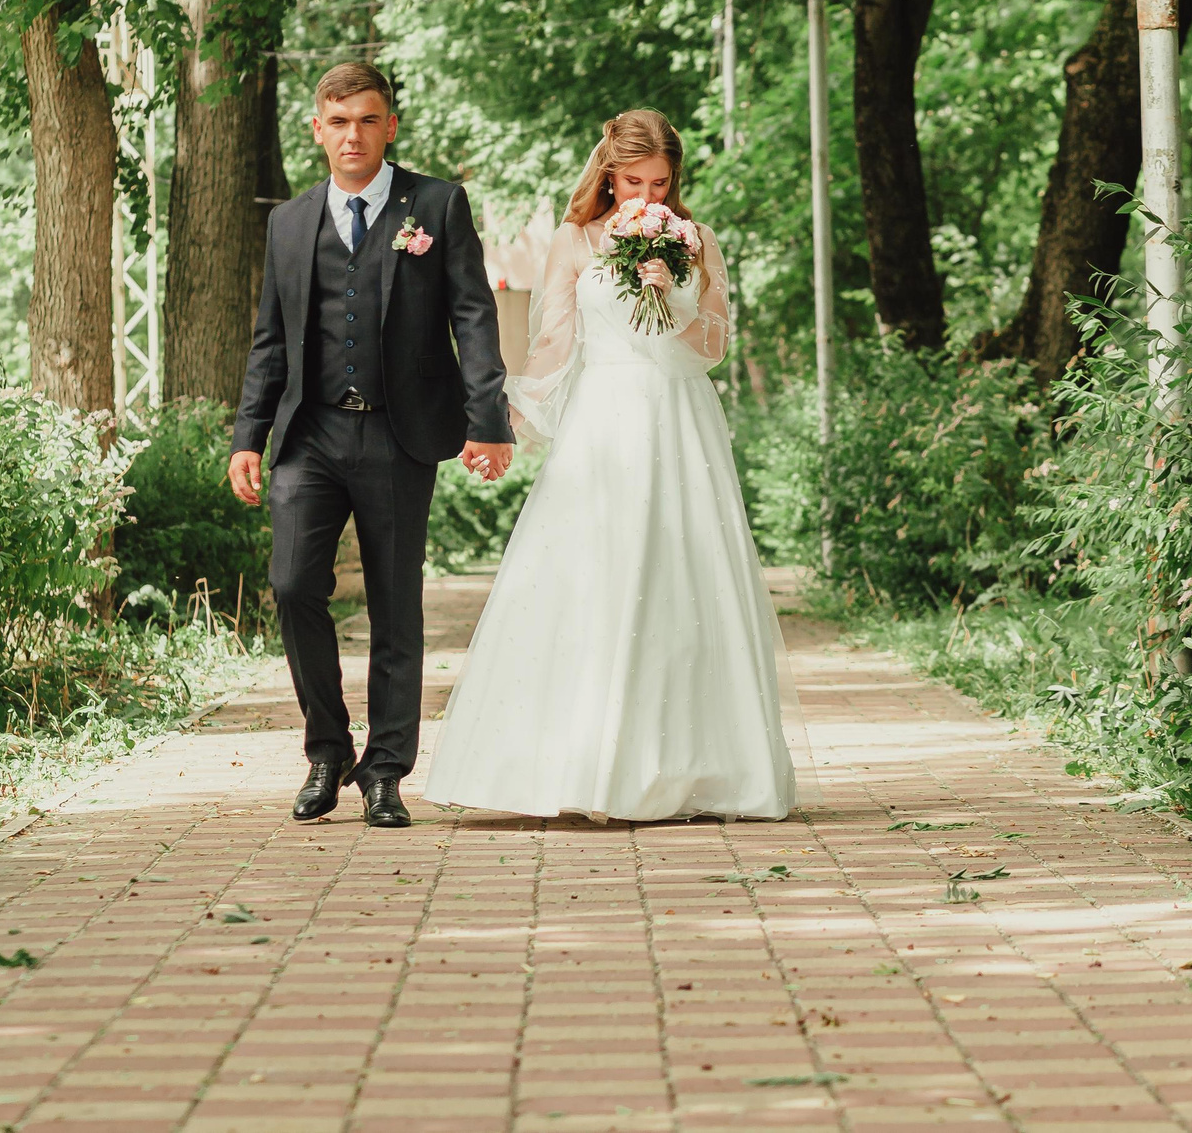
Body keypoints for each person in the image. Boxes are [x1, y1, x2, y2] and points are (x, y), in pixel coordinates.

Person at [425, 110, 796, 822]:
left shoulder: (698, 240)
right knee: (588, 578)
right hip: (602, 425)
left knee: (682, 584)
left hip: (678, 418)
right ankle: (574, 764)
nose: (647, 197)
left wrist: (672, 291)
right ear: (608, 174)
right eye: (633, 181)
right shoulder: (573, 240)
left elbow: (713, 343)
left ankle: (691, 767)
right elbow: (555, 346)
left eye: (660, 183)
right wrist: (500, 422)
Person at [228, 62, 513, 828]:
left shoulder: (436, 205)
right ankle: (327, 747)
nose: (353, 134)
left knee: (396, 604)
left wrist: (488, 418)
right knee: (292, 585)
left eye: (367, 119)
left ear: (389, 126)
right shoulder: (288, 223)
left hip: (398, 430)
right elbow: (269, 340)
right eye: (338, 120)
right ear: (317, 128)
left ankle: (385, 769)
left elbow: (473, 316)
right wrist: (247, 435)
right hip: (309, 434)